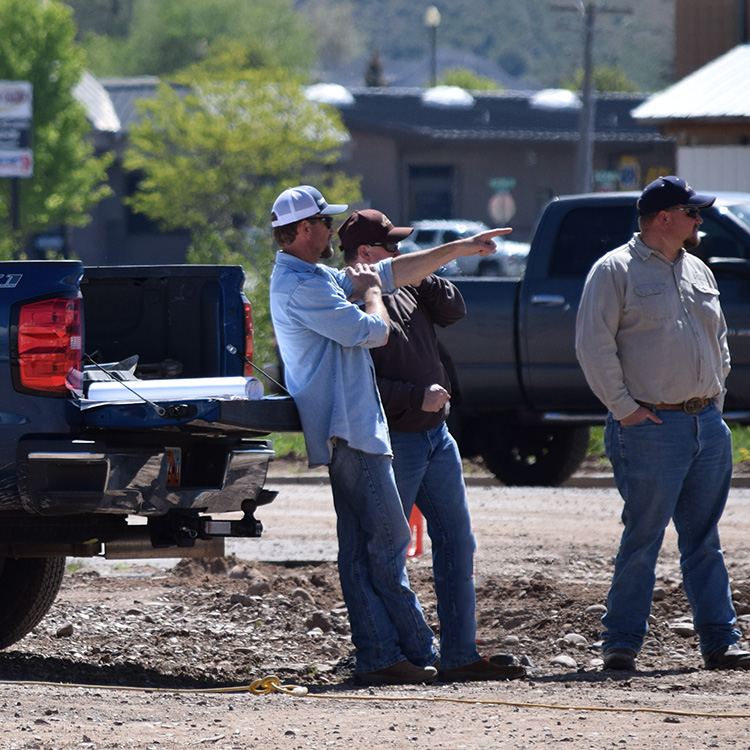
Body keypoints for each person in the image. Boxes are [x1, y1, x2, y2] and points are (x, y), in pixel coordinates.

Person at [269, 185, 509, 686]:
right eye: (323, 222)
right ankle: (401, 651)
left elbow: (394, 271)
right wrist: (375, 296)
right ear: (304, 229)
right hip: (350, 429)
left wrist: (462, 248)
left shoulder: (314, 276)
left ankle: (391, 654)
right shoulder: (302, 286)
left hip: (360, 428)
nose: (329, 230)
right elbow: (372, 330)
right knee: (381, 545)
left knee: (372, 547)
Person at [338, 209, 526, 682]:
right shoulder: (353, 299)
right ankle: (402, 652)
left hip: (435, 436)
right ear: (366, 254)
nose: (403, 253)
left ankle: (460, 654)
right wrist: (414, 396)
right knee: (386, 552)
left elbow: (454, 310)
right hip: (392, 441)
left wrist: (421, 277)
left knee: (457, 543)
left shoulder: (407, 289)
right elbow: (355, 384)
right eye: (394, 247)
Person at [575, 175, 750, 672]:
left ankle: (720, 641)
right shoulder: (614, 270)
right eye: (693, 213)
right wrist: (625, 409)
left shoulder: (698, 269)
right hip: (649, 427)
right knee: (644, 536)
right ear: (663, 218)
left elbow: (717, 342)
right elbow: (593, 346)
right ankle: (622, 643)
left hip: (705, 424)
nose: (700, 220)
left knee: (704, 539)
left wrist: (713, 396)